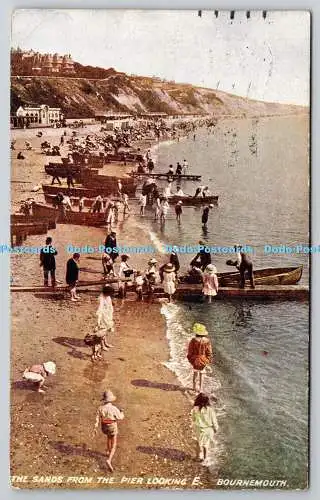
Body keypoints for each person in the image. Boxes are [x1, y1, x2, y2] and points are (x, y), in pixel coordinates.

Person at [94, 391, 124, 472]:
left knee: (108, 437)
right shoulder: (114, 408)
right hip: (112, 426)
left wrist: (95, 427)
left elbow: (97, 418)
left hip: (104, 427)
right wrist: (121, 412)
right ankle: (109, 460)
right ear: (111, 400)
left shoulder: (100, 408)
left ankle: (108, 451)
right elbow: (120, 417)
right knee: (114, 443)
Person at [191, 393, 219, 464]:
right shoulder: (210, 410)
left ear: (198, 400)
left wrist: (195, 423)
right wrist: (215, 429)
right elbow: (214, 421)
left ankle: (197, 457)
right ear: (207, 401)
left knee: (198, 443)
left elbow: (193, 419)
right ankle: (205, 458)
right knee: (206, 444)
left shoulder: (195, 409)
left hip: (199, 429)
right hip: (208, 430)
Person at [187, 323, 213, 392]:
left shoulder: (193, 340)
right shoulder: (207, 341)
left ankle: (194, 388)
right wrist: (208, 360)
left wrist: (190, 359)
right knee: (202, 374)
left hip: (195, 360)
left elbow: (190, 351)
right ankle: (200, 389)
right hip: (203, 360)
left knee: (195, 374)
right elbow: (209, 352)